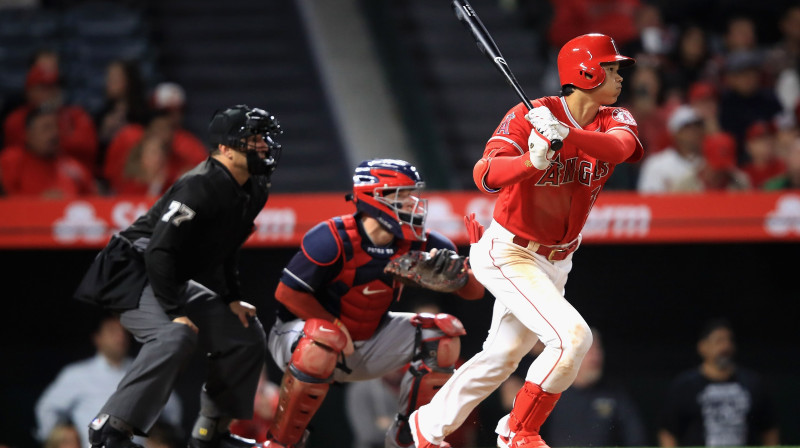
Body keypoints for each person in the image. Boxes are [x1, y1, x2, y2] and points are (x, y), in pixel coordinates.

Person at [409, 33, 644, 448]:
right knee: (573, 338)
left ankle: (426, 428)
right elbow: (485, 175)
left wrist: (566, 137)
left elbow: (621, 149)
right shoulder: (529, 114)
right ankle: (517, 431)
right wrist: (530, 160)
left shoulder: (614, 119)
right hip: (512, 251)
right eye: (610, 67)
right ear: (585, 72)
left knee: (501, 357)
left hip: (557, 262)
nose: (618, 75)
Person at [72, 104, 284, 448]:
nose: (263, 145)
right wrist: (175, 312)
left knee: (245, 333)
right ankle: (110, 428)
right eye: (253, 139)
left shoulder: (255, 187)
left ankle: (211, 432)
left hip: (167, 274)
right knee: (175, 335)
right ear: (225, 150)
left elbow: (226, 247)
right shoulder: (199, 185)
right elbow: (159, 250)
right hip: (130, 268)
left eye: (263, 137)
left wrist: (231, 298)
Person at [264, 158, 485, 448]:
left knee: (444, 333)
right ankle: (281, 442)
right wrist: (335, 325)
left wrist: (458, 278)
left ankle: (407, 437)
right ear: (374, 197)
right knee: (320, 342)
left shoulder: (422, 242)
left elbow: (474, 294)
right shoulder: (331, 237)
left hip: (367, 341)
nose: (412, 203)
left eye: (412, 194)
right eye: (402, 195)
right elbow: (287, 294)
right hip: (298, 340)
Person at [35, 314, 182, 448]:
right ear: (97, 338)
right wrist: (59, 440)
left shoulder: (145, 371)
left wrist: (162, 438)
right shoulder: (77, 374)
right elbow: (46, 408)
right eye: (112, 331)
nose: (120, 337)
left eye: (123, 332)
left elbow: (172, 411)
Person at [658, 318, 780, 447]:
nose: (725, 346)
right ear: (702, 347)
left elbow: (769, 429)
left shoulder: (752, 383)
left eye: (729, 340)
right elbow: (668, 431)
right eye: (718, 341)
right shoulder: (685, 385)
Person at [539, 328, 647, 447]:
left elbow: (636, 439)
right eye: (589, 349)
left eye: (598, 348)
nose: (596, 355)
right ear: (572, 354)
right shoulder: (550, 393)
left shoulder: (615, 394)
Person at [0, 105, 97, 197]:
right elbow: (5, 200)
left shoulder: (74, 168)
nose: (54, 134)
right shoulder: (10, 161)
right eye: (46, 128)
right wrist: (40, 204)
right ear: (28, 135)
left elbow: (94, 202)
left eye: (56, 127)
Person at [637, 104, 705, 193]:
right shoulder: (657, 164)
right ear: (675, 133)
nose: (694, 132)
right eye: (687, 127)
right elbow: (648, 200)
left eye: (697, 126)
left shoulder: (710, 164)